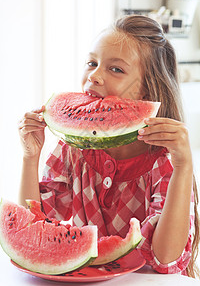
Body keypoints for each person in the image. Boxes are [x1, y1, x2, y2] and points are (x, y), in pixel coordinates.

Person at [18, 15, 199, 278]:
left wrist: (184, 166)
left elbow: (165, 259)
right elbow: (31, 232)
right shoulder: (74, 147)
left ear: (147, 91)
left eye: (116, 69)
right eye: (92, 63)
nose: (94, 75)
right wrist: (29, 157)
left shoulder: (164, 160)